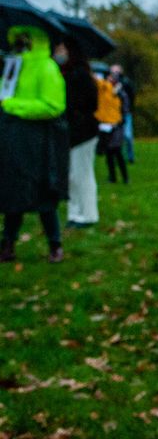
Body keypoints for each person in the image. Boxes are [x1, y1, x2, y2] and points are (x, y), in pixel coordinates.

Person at [0, 26, 68, 263]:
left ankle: (55, 244)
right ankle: (7, 244)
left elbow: (54, 105)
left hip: (38, 139)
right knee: (12, 191)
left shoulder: (47, 67)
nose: (19, 43)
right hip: (12, 136)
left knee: (43, 193)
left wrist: (14, 106)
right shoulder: (12, 66)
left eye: (24, 39)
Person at [54, 37, 99, 227]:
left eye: (62, 49)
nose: (59, 54)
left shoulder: (80, 75)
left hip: (83, 132)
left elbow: (90, 104)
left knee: (83, 174)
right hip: (71, 132)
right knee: (72, 175)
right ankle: (75, 213)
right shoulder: (64, 74)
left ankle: (88, 214)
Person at [94, 70, 129, 184]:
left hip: (116, 126)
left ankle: (125, 177)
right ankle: (112, 177)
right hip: (105, 124)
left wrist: (119, 122)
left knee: (117, 152)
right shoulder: (104, 90)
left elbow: (125, 110)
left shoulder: (121, 94)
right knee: (109, 153)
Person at [109, 64, 136, 163]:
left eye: (116, 71)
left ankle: (130, 157)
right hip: (114, 113)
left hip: (125, 113)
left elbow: (131, 97)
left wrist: (129, 109)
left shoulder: (126, 83)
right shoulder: (110, 84)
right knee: (116, 138)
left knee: (128, 136)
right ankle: (119, 157)